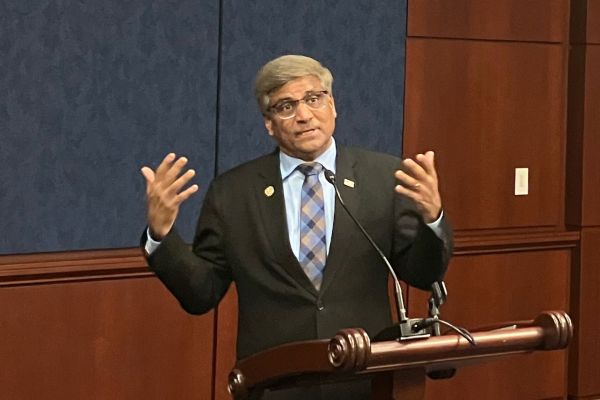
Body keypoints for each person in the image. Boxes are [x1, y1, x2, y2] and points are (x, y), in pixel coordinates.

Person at [140, 55, 453, 400]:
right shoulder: (233, 193)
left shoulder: (383, 177)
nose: (304, 115)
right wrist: (161, 235)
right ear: (269, 124)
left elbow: (423, 273)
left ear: (332, 106)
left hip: (364, 381)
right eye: (286, 106)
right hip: (275, 382)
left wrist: (433, 219)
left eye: (313, 99)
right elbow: (201, 294)